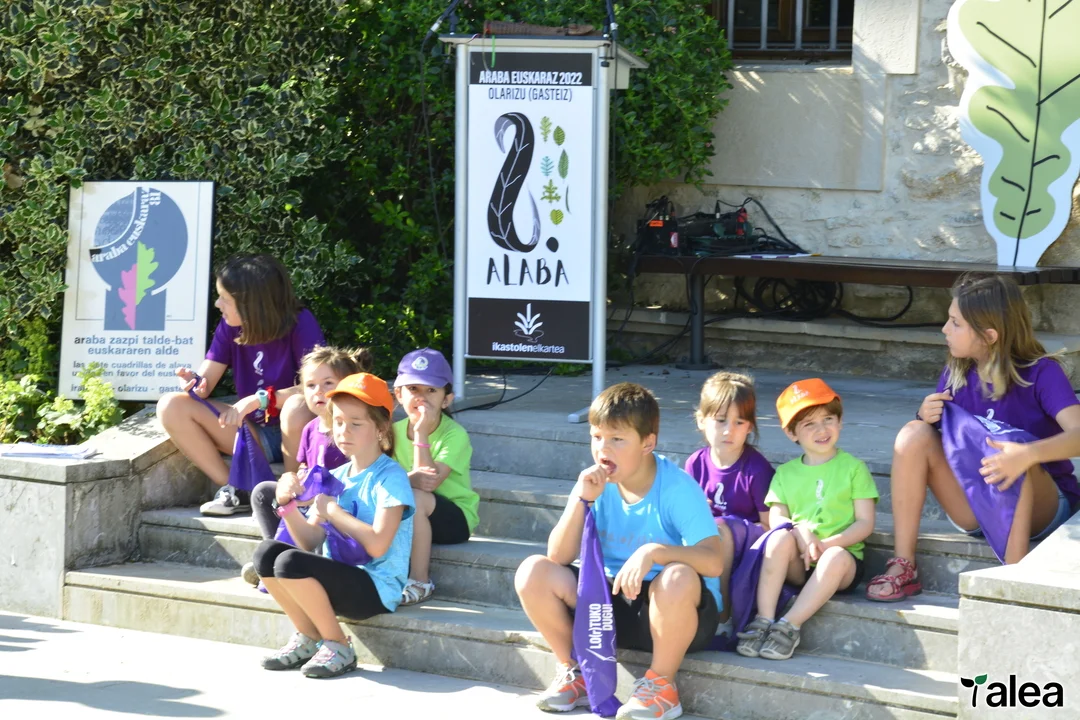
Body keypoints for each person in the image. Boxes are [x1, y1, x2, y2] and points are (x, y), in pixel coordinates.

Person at [515, 383, 723, 720]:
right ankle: (577, 671)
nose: (603, 448)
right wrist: (581, 501)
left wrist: (655, 552)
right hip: (607, 606)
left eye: (617, 439)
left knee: (678, 576)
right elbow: (558, 557)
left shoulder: (677, 488)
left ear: (647, 443)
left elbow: (713, 561)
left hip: (674, 612)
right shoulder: (594, 485)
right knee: (533, 571)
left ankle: (662, 686)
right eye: (597, 437)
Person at [867, 274, 1080, 600]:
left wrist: (1027, 454)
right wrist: (925, 417)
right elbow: (936, 443)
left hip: (1042, 508)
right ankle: (903, 565)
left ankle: (1012, 582)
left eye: (955, 323)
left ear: (989, 336)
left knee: (1013, 451)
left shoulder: (1042, 373)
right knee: (913, 434)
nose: (944, 329)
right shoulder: (956, 372)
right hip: (975, 502)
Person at [255, 372, 414, 678]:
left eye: (356, 423)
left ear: (381, 427)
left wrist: (333, 510)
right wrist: (286, 505)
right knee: (266, 553)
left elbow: (378, 545)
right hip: (339, 580)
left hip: (376, 589)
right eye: (338, 422)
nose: (344, 431)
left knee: (289, 563)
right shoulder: (335, 476)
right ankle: (308, 636)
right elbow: (309, 540)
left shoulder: (391, 477)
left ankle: (339, 646)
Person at [156, 254, 324, 515]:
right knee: (171, 406)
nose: (217, 304)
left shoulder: (300, 322)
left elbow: (318, 387)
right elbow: (205, 382)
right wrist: (195, 383)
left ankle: (293, 495)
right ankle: (238, 489)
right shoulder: (229, 326)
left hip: (298, 431)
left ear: (250, 303)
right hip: (253, 433)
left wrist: (261, 399)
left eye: (225, 298)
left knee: (297, 406)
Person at [736, 379, 877, 661]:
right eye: (809, 424)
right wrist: (800, 533)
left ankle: (789, 626)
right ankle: (764, 619)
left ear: (840, 421)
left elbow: (865, 523)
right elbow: (777, 515)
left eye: (828, 419)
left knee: (835, 557)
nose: (821, 430)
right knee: (778, 538)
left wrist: (825, 545)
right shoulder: (786, 473)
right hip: (799, 561)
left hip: (841, 561)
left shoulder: (853, 469)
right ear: (791, 433)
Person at [243, 345, 373, 586]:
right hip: (310, 503)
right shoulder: (310, 429)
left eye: (328, 384)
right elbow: (306, 466)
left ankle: (296, 563)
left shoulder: (352, 429)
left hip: (339, 507)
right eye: (311, 386)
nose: (318, 392)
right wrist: (295, 481)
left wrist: (316, 500)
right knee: (263, 493)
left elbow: (360, 477)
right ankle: (274, 553)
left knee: (314, 516)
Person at [684, 371, 774, 626]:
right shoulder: (695, 463)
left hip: (747, 546)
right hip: (708, 540)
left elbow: (770, 526)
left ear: (750, 427)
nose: (729, 430)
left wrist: (727, 528)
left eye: (739, 422)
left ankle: (721, 618)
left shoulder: (757, 470)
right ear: (702, 421)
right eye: (721, 420)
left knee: (720, 529)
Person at [391, 349, 478, 606]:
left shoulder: (455, 435)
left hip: (454, 519)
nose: (421, 397)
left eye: (431, 390)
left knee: (417, 496)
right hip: (408, 514)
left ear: (446, 399)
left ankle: (420, 581)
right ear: (399, 394)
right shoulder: (391, 432)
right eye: (413, 389)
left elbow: (428, 482)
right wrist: (408, 480)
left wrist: (421, 434)